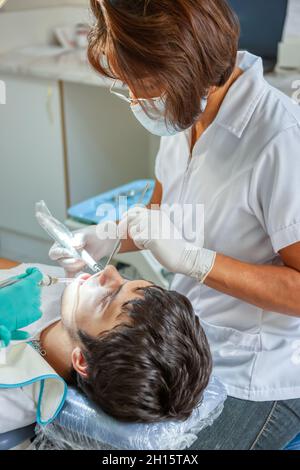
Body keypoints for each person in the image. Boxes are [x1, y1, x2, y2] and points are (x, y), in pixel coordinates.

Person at [50, 0, 300, 450]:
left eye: (139, 85)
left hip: (260, 372)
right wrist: (105, 236)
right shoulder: (185, 117)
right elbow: (161, 218)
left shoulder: (278, 141)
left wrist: (195, 261)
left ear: (181, 66)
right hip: (182, 344)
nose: (135, 99)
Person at [0, 261, 212, 434]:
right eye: (126, 281)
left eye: (106, 299)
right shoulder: (68, 300)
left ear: (83, 361)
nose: (109, 271)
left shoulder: (10, 401)